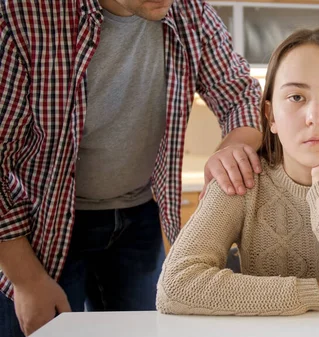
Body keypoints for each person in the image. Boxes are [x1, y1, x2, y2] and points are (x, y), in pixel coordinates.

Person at [0, 1, 263, 336]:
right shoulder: (24, 15)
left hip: (138, 219)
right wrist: (27, 280)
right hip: (38, 231)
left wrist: (233, 148)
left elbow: (239, 94)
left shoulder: (189, 11)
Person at [156, 28, 319, 317]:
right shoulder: (244, 175)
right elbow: (175, 287)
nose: (317, 117)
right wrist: (316, 294)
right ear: (270, 116)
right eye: (297, 97)